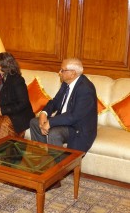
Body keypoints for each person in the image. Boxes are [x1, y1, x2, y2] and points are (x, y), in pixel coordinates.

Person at [29, 58, 97, 188]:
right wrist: (44, 113)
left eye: (62, 70)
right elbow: (54, 102)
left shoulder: (85, 89)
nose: (59, 72)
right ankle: (42, 165)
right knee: (34, 122)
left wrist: (50, 123)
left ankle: (54, 178)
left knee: (54, 132)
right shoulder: (66, 83)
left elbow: (74, 116)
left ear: (73, 73)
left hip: (78, 127)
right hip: (66, 121)